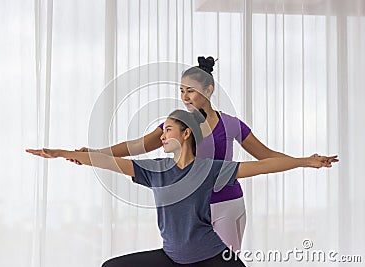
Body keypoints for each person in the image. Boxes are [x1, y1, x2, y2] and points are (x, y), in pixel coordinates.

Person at [69, 56, 338, 251]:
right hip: (190, 210)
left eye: (191, 91)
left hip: (227, 206)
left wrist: (305, 161)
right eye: (182, 91)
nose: (185, 97)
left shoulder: (232, 124)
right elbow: (137, 146)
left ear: (208, 91)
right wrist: (95, 153)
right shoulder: (177, 125)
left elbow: (265, 155)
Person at [26, 109, 337, 267]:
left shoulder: (210, 170)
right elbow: (105, 161)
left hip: (211, 257)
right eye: (161, 132)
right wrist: (63, 153)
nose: (162, 136)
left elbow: (263, 165)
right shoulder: (154, 170)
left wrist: (303, 161)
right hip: (172, 257)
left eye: (168, 130)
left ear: (187, 133)